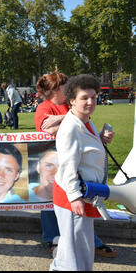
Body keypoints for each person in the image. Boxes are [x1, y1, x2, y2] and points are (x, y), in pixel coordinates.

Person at [34, 72, 116, 258]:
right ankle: (53, 240)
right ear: (56, 89)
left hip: (76, 165)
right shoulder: (45, 108)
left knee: (82, 216)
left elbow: (84, 130)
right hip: (54, 165)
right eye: (65, 84)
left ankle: (89, 243)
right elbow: (47, 128)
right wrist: (73, 115)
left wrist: (98, 138)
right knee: (51, 204)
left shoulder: (70, 107)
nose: (69, 86)